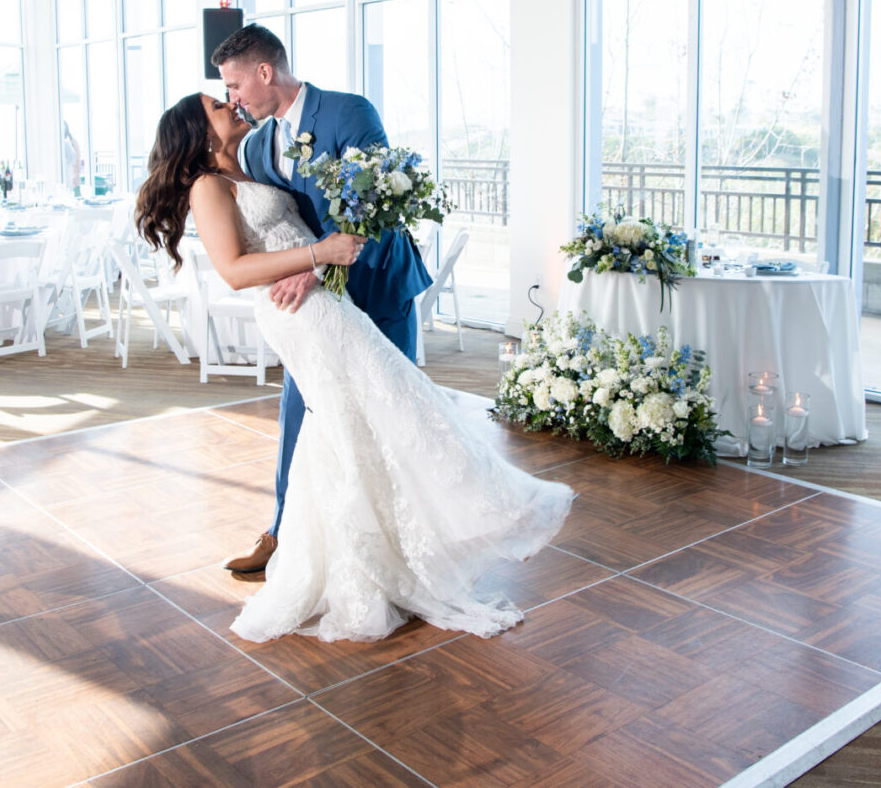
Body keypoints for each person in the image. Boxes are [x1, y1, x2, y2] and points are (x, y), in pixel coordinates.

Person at [136, 92, 573, 642]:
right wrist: (320, 254)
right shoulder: (207, 186)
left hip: (324, 299)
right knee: (370, 410)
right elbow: (234, 270)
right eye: (218, 107)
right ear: (199, 134)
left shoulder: (246, 167)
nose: (232, 106)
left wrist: (322, 257)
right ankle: (376, 558)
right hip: (299, 313)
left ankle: (384, 555)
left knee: (367, 417)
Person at [211, 24, 435, 577]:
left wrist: (315, 269)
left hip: (378, 286)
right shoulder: (260, 145)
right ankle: (283, 532)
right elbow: (281, 223)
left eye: (236, 85)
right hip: (314, 310)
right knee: (298, 415)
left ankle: (405, 541)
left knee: (392, 412)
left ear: (266, 72)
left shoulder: (348, 112)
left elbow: (375, 208)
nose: (235, 100)